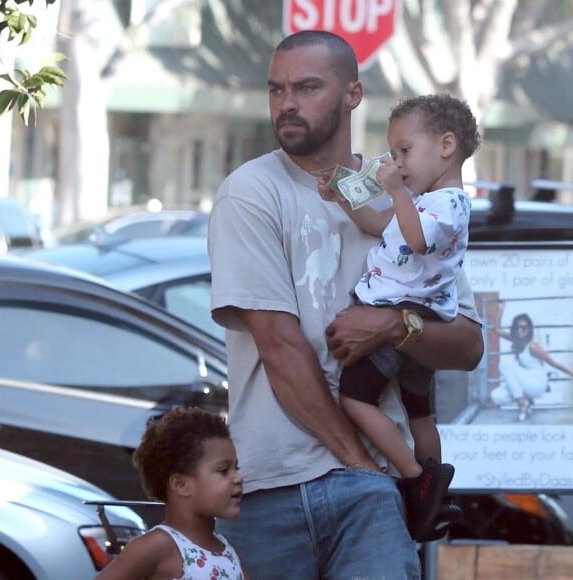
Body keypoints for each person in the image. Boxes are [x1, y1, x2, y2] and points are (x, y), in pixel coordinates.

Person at [208, 30, 483, 579]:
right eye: (275, 90)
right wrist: (363, 465)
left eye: (307, 87)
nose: (286, 103)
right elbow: (280, 349)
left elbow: (468, 342)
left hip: (375, 499)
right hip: (273, 485)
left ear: (353, 95)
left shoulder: (407, 189)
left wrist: (392, 326)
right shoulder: (251, 192)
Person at [316, 94, 480, 540]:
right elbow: (380, 225)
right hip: (417, 316)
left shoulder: (448, 204)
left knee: (354, 398)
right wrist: (343, 200)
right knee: (419, 411)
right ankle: (436, 489)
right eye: (393, 153)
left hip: (403, 313)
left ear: (447, 145)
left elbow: (417, 239)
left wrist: (394, 189)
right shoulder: (421, 201)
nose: (397, 162)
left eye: (405, 150)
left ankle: (416, 480)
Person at [95, 407, 246, 580]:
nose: (237, 478)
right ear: (181, 485)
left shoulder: (228, 552)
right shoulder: (157, 546)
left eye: (237, 468)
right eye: (223, 470)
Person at [490, 302, 573, 421]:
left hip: (537, 382)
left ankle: (522, 402)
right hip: (526, 383)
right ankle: (526, 400)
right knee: (496, 396)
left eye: (523, 327)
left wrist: (571, 373)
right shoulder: (515, 340)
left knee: (504, 365)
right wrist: (501, 310)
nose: (520, 330)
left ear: (529, 330)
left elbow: (553, 363)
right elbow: (497, 330)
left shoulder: (533, 346)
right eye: (517, 327)